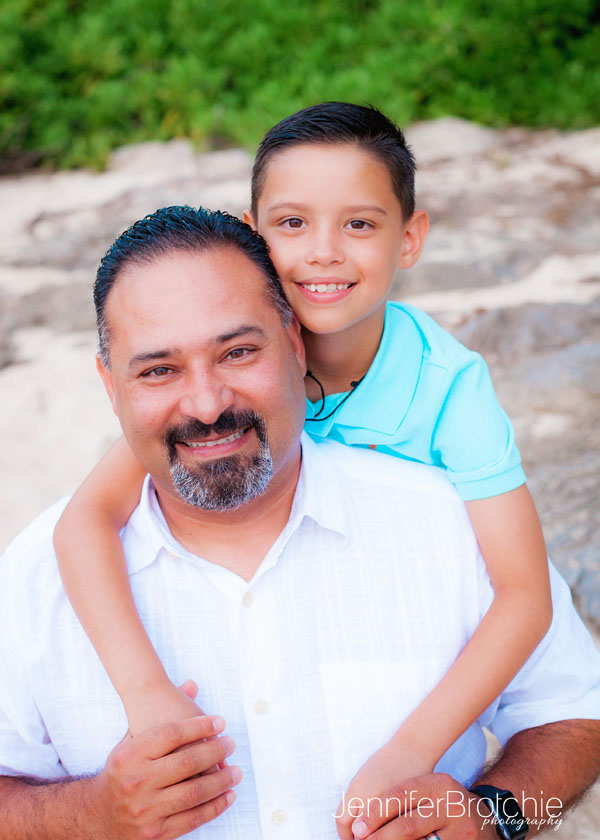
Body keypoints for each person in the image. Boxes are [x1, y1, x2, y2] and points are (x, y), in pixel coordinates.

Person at [1, 206, 599, 840]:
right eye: (159, 370)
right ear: (109, 384)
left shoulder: (444, 521)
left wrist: (492, 815)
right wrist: (93, 815)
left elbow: (578, 719)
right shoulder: (35, 576)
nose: (206, 405)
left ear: (292, 344)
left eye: (236, 352)